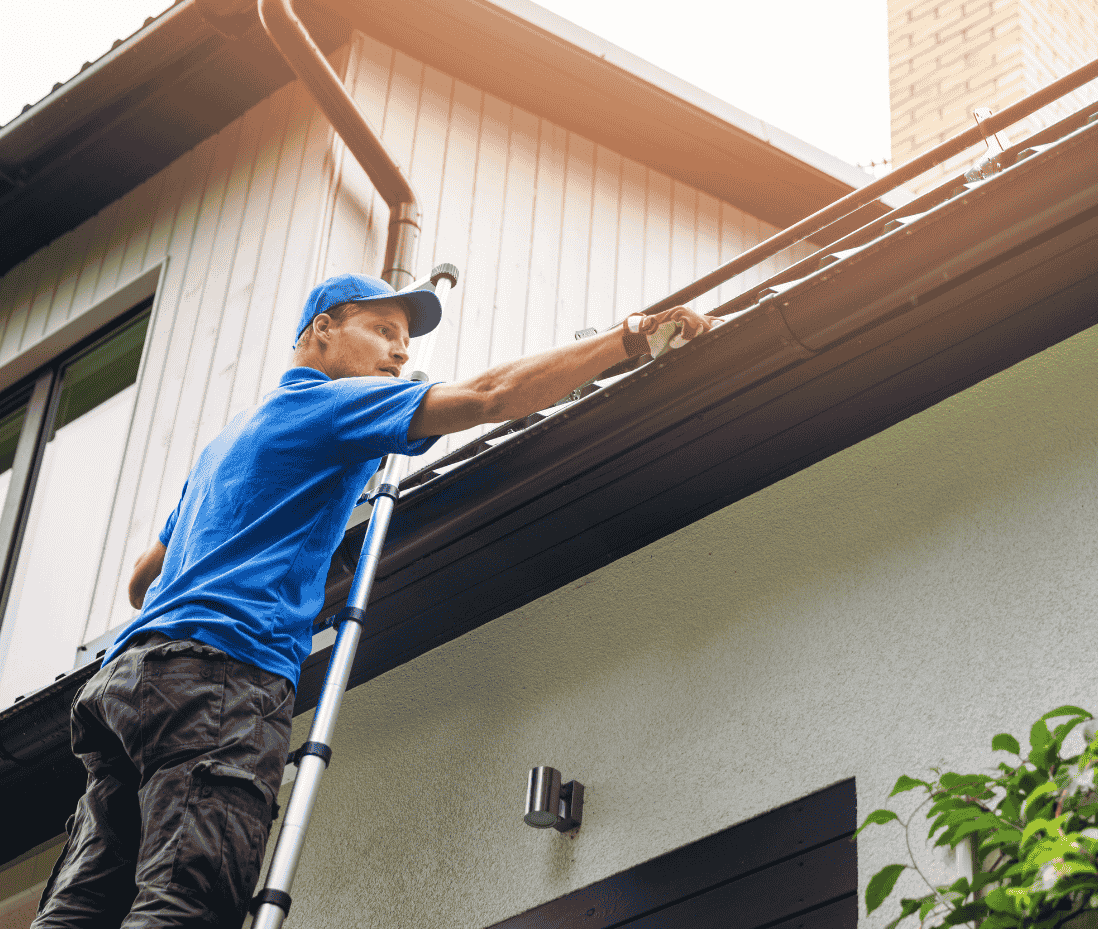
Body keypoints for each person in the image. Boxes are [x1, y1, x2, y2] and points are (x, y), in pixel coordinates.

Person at [32, 273, 715, 928]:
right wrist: (630, 338)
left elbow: (141, 580)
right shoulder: (327, 404)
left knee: (80, 909)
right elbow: (487, 395)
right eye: (383, 329)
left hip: (125, 686)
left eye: (407, 342)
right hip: (218, 680)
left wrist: (276, 552)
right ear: (321, 332)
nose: (399, 351)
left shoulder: (225, 446)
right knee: (188, 898)